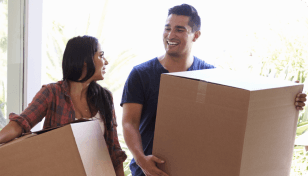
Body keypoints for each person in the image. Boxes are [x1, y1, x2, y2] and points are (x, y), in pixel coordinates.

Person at [121, 4, 307, 176]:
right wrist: (142, 161)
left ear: (196, 35)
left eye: (180, 29)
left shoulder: (211, 75)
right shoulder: (141, 74)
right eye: (168, 28)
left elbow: (239, 115)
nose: (170, 35)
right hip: (150, 170)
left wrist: (288, 101)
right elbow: (130, 122)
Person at [0, 35, 127, 176]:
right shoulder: (52, 93)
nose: (105, 61)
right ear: (85, 61)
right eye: (101, 55)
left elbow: (114, 151)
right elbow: (22, 123)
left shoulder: (105, 98)